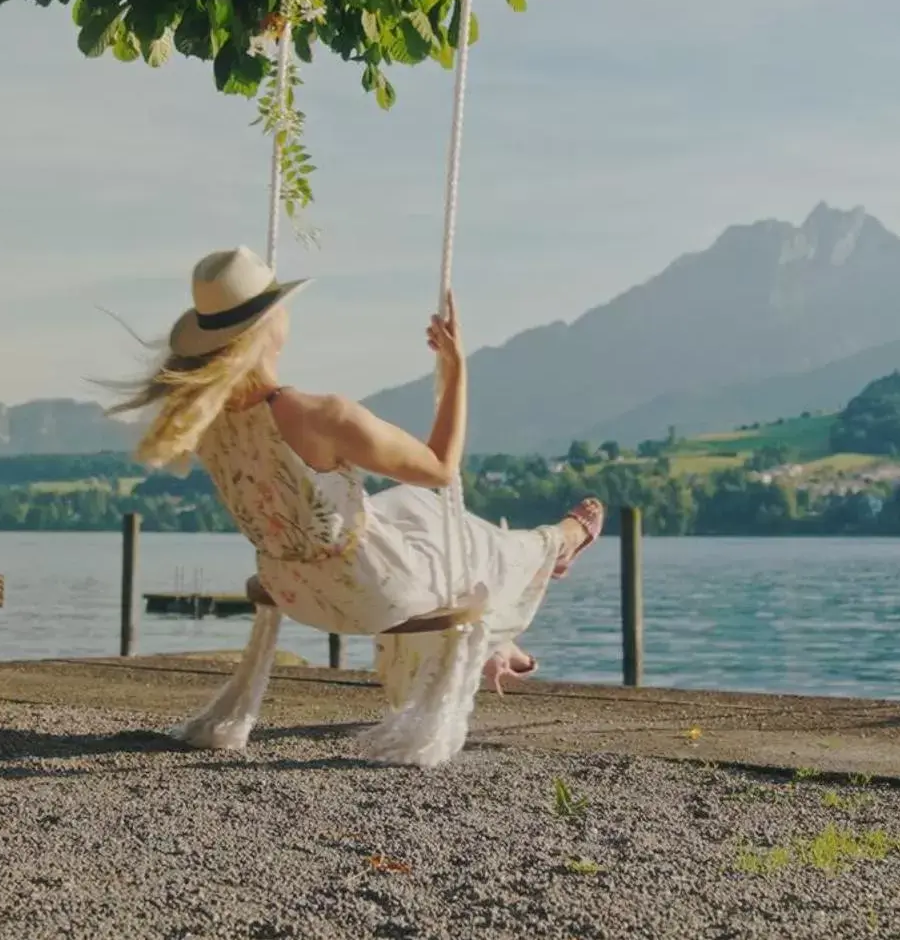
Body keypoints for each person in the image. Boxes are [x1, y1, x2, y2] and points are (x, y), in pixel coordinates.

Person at [110, 246, 602, 763]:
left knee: (413, 509)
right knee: (474, 543)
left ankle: (497, 645)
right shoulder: (321, 415)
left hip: (292, 589)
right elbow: (440, 467)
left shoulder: (201, 418)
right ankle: (561, 540)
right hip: (370, 594)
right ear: (268, 326)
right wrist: (456, 372)